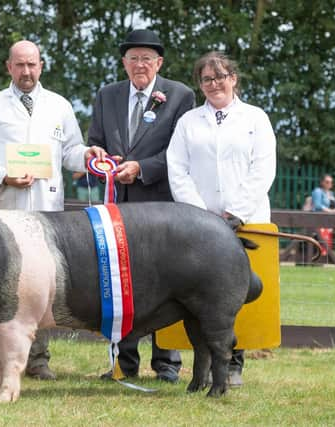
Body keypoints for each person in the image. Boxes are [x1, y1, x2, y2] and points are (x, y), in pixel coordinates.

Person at [0, 40, 106, 380]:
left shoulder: (58, 106)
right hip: (6, 214)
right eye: (20, 65)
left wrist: (86, 156)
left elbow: (69, 150)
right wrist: (4, 177)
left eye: (32, 65)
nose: (26, 72)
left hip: (47, 212)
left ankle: (38, 359)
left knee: (42, 287)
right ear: (8, 67)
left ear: (41, 66)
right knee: (1, 287)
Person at [88, 28, 195, 383]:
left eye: (147, 58)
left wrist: (143, 169)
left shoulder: (180, 95)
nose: (139, 65)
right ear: (123, 62)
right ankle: (123, 363)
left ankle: (167, 364)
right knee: (120, 284)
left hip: (161, 207)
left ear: (159, 62)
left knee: (167, 283)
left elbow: (181, 153)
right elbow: (95, 142)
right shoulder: (106, 95)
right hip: (118, 209)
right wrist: (98, 156)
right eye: (133, 58)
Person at [166, 51, 277, 387]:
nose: (214, 84)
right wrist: (201, 215)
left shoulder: (255, 118)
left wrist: (237, 212)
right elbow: (177, 168)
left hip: (246, 220)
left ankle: (234, 363)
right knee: (199, 293)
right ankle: (203, 364)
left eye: (220, 76)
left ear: (234, 79)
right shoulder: (188, 122)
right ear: (200, 85)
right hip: (200, 226)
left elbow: (263, 168)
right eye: (207, 79)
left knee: (239, 292)